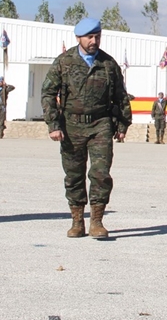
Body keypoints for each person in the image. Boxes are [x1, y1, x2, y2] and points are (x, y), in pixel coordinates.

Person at [42, 18, 131, 239]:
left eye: (97, 36)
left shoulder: (108, 64)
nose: (94, 41)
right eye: (89, 37)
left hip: (100, 125)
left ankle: (97, 221)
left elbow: (121, 96)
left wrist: (122, 124)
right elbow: (48, 94)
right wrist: (53, 124)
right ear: (78, 38)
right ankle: (77, 221)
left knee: (100, 174)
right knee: (74, 175)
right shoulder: (64, 62)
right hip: (71, 126)